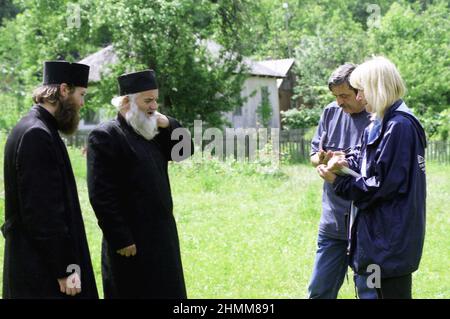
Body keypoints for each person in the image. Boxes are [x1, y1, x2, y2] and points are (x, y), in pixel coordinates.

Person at [317, 56, 426, 299]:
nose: (358, 97)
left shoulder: (400, 126)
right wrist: (344, 161)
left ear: (377, 88)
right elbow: (369, 161)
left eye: (361, 90)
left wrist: (339, 181)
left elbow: (380, 186)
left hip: (389, 240)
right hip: (378, 237)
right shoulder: (381, 122)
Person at [87, 69, 193, 299]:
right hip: (130, 242)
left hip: (162, 237)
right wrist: (121, 238)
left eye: (155, 99)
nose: (154, 106)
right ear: (126, 101)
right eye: (148, 100)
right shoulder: (105, 135)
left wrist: (170, 123)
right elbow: (101, 194)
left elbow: (185, 152)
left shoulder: (153, 131)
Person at [1, 61, 98, 298]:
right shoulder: (37, 133)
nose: (82, 103)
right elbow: (43, 211)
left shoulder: (35, 126)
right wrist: (64, 268)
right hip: (40, 269)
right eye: (81, 94)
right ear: (64, 90)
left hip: (37, 261)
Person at [308, 63, 376, 299]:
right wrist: (322, 159)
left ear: (361, 90)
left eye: (344, 95)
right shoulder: (330, 112)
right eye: (336, 96)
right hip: (333, 222)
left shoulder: (379, 116)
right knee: (319, 291)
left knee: (371, 293)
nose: (339, 102)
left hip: (369, 224)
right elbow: (314, 155)